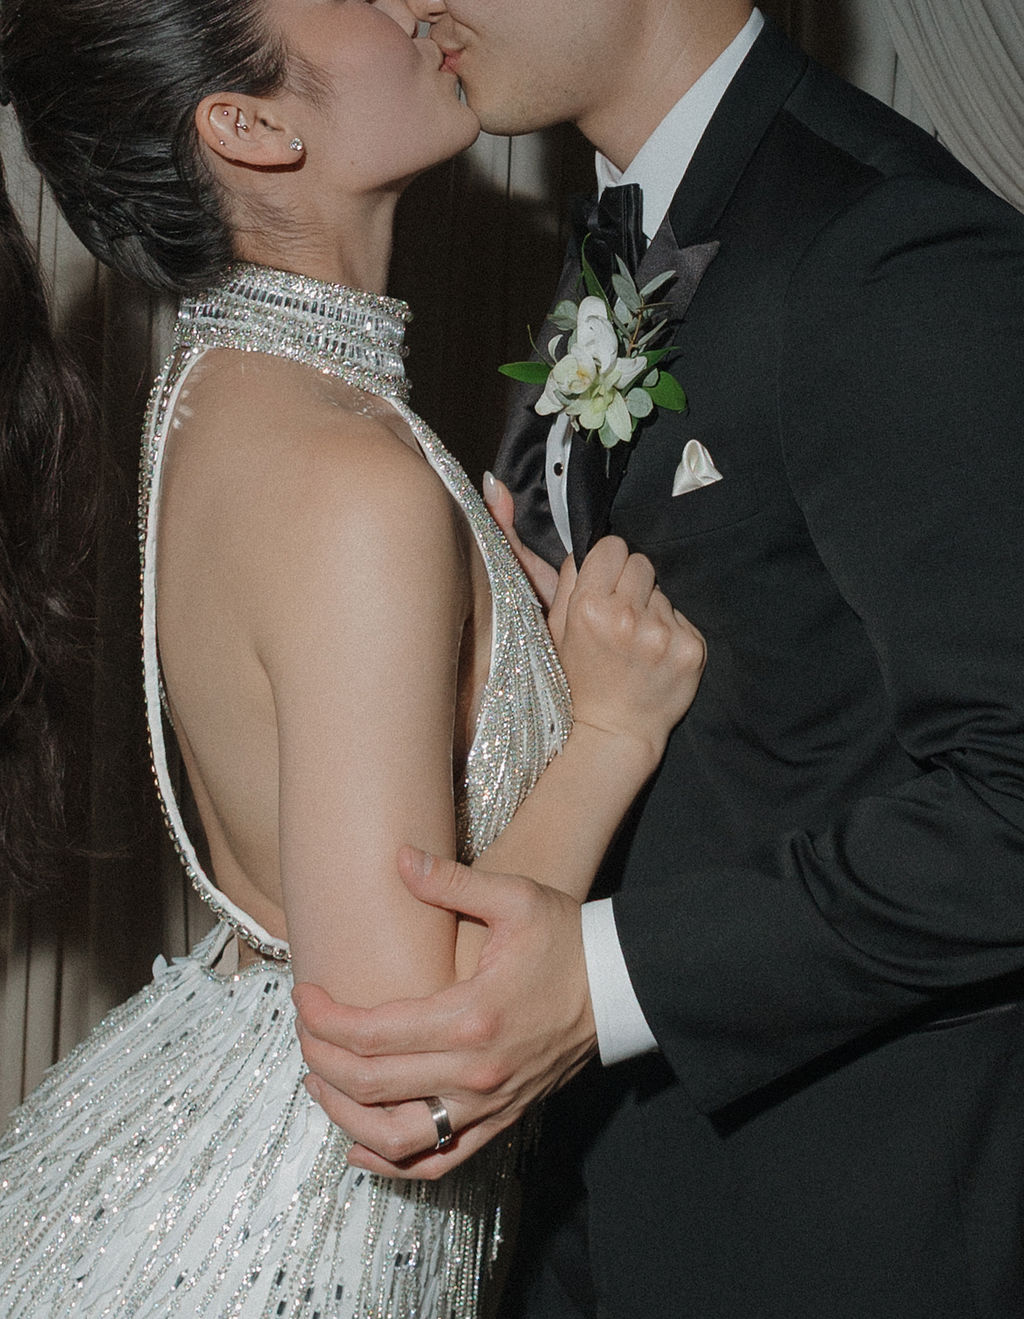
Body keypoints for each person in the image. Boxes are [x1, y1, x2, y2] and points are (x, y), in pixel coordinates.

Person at [293, 2, 1024, 1316]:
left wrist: (608, 979)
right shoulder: (632, 227)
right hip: (608, 1210)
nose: (411, 6)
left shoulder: (887, 248)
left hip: (844, 1233)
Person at [0, 0, 706, 1314]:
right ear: (253, 125)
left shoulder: (226, 392)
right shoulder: (343, 476)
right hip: (252, 1252)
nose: (416, 3)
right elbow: (419, 1085)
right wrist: (608, 738)